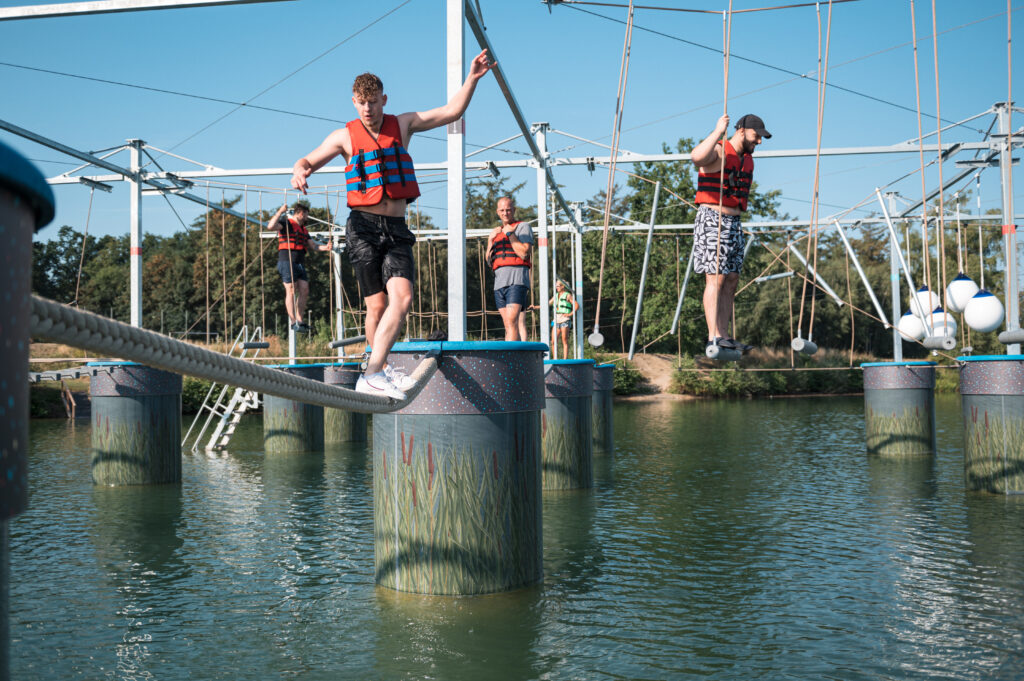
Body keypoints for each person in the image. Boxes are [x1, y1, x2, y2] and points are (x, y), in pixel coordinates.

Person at [290, 51, 494, 399]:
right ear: (353, 102)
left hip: (396, 228)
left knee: (403, 298)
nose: (367, 109)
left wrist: (472, 79)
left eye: (373, 102)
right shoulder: (344, 136)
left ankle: (372, 372)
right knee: (377, 306)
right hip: (363, 227)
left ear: (384, 99)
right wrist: (300, 169)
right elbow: (308, 158)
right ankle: (379, 370)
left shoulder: (402, 124)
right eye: (361, 103)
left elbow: (451, 112)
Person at [690, 113, 770, 353]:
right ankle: (713, 335)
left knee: (732, 279)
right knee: (715, 277)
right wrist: (717, 130)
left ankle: (724, 335)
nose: (759, 142)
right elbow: (696, 157)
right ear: (742, 131)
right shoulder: (720, 151)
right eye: (756, 136)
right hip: (713, 219)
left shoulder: (746, 160)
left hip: (734, 223)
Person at [268, 200, 332, 333]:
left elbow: (313, 246)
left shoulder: (304, 230)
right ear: (301, 213)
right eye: (306, 214)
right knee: (291, 289)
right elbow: (270, 226)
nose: (307, 217)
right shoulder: (286, 224)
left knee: (304, 289)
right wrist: (280, 211)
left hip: (299, 263)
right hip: (287, 260)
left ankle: (300, 319)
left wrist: (326, 247)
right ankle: (292, 321)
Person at [486, 196, 533, 341]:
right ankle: (516, 358)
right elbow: (489, 261)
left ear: (514, 210)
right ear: (497, 212)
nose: (505, 213)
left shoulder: (523, 227)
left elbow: (524, 253)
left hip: (516, 279)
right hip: (500, 282)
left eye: (508, 210)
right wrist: (489, 240)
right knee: (508, 324)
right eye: (502, 210)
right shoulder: (496, 232)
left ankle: (510, 358)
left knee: (513, 322)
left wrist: (510, 234)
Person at [549, 279, 578, 358]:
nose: (556, 287)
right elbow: (547, 303)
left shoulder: (567, 295)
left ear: (563, 286)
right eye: (556, 286)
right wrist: (535, 307)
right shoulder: (556, 295)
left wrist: (570, 314)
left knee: (564, 340)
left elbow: (576, 305)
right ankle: (555, 359)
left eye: (558, 286)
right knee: (553, 341)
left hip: (564, 319)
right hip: (556, 319)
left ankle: (565, 359)